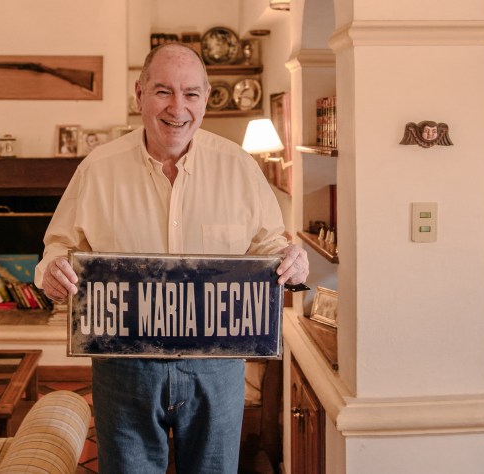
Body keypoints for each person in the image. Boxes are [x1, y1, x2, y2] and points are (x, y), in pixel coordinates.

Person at [35, 43, 309, 474]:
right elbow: (57, 247)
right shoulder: (98, 168)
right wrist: (52, 270)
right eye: (163, 91)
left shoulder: (239, 167)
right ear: (139, 94)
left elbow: (270, 246)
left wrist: (292, 259)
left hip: (217, 367)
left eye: (191, 93)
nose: (177, 108)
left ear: (205, 98)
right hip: (123, 367)